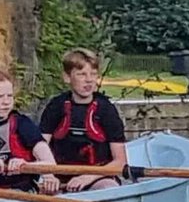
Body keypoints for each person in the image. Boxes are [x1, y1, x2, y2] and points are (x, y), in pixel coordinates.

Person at [39, 48, 127, 191]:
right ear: (67, 77)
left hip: (98, 177)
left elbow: (120, 162)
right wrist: (49, 176)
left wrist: (88, 177)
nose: (89, 80)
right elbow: (39, 147)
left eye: (93, 74)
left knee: (108, 188)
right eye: (81, 74)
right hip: (59, 178)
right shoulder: (56, 106)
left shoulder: (106, 110)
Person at [0, 69, 60, 194]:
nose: (6, 102)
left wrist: (25, 165)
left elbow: (51, 164)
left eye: (10, 96)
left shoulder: (23, 124)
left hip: (23, 192)